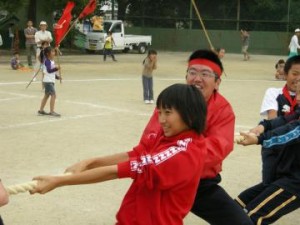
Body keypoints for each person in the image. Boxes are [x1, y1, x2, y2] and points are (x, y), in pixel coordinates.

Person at [31, 83, 208, 225]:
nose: (161, 120)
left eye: (168, 113)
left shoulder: (182, 153)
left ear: (190, 115)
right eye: (159, 112)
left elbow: (117, 171)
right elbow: (134, 155)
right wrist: (89, 162)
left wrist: (59, 181)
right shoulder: (167, 139)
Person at [139, 49, 253, 225]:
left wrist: (179, 156)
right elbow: (150, 138)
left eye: (205, 74)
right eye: (192, 72)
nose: (197, 78)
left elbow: (217, 148)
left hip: (200, 183)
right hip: (164, 176)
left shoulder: (223, 109)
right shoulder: (172, 99)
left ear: (217, 82)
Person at [236, 82, 300, 224]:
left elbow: (289, 133)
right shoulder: (298, 112)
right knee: (239, 203)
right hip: (285, 175)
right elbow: (284, 121)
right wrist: (263, 126)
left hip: (295, 183)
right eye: (298, 93)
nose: (298, 99)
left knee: (253, 217)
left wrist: (259, 139)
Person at [260, 55, 300, 120]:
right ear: (285, 74)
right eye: (295, 74)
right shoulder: (273, 93)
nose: (298, 78)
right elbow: (272, 119)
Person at [38, 47, 61, 117]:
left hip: (50, 80)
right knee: (53, 95)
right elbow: (49, 70)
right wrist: (56, 68)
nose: (54, 53)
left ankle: (41, 110)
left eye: (54, 52)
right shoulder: (47, 61)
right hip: (48, 81)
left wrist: (57, 77)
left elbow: (52, 73)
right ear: (48, 54)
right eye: (52, 52)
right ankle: (51, 111)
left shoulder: (52, 61)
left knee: (46, 96)